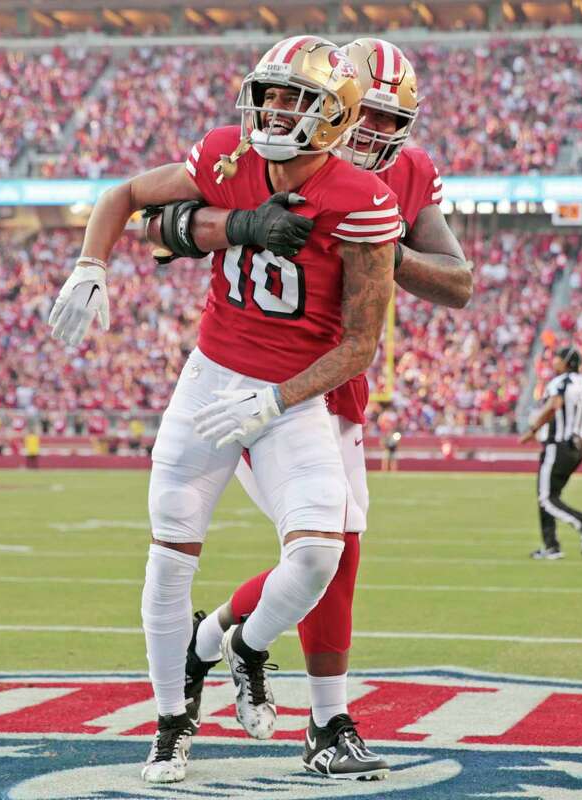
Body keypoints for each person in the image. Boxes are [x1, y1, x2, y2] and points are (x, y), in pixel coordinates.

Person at [48, 36, 397, 784]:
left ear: (331, 114)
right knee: (169, 554)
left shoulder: (363, 199)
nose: (272, 109)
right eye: (268, 94)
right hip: (207, 383)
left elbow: (362, 343)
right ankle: (172, 721)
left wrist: (274, 398)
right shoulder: (227, 156)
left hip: (290, 397)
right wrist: (90, 263)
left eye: (292, 98)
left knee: (317, 555)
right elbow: (127, 200)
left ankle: (241, 646)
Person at [170, 37, 473, 779]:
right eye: (363, 113)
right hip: (255, 376)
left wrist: (374, 246)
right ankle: (326, 719)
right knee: (325, 547)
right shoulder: (263, 149)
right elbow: (166, 227)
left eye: (389, 120)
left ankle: (216, 641)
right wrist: (231, 227)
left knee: (332, 552)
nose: (373, 133)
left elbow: (459, 281)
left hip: (340, 381)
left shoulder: (403, 173)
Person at [519, 345, 582, 559]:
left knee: (545, 498)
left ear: (567, 362)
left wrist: (533, 430)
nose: (554, 363)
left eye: (557, 359)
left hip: (557, 446)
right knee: (550, 496)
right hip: (577, 449)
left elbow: (554, 405)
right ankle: (551, 547)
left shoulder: (560, 383)